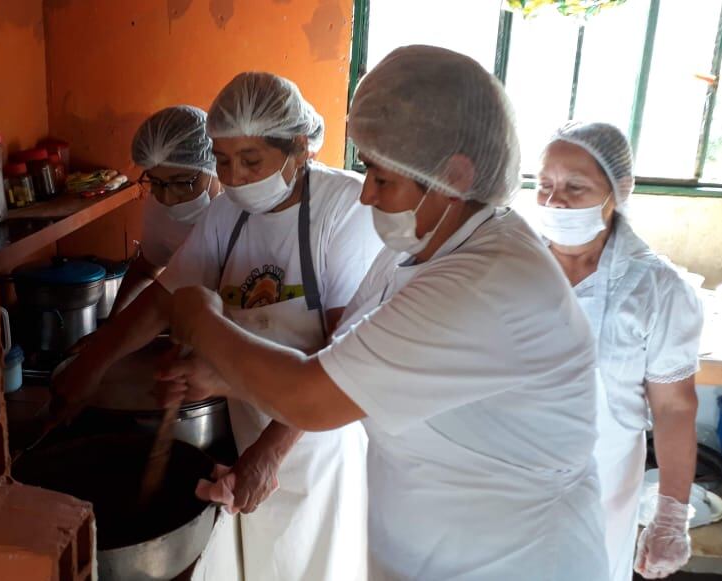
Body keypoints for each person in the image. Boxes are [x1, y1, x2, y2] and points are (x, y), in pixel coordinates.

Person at [157, 45, 608, 581]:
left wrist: (204, 322)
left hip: (510, 560)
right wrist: (227, 380)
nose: (365, 194)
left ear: (455, 176)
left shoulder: (484, 284)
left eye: (381, 177)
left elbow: (311, 395)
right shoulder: (419, 250)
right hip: (431, 552)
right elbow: (344, 352)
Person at [54, 72, 379, 581]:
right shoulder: (227, 213)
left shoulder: (345, 210)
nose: (235, 178)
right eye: (224, 161)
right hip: (248, 433)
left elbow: (343, 358)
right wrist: (92, 364)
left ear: (299, 148)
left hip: (315, 450)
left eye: (251, 161)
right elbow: (164, 301)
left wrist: (271, 452)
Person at [534, 121, 703, 580]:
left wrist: (671, 514)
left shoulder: (657, 289)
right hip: (507, 478)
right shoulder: (511, 263)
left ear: (620, 190)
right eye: (544, 185)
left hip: (601, 487)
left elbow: (673, 408)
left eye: (575, 187)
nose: (555, 201)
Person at [110, 105, 222, 316]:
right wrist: (112, 326)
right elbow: (146, 269)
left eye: (181, 182)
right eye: (156, 182)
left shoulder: (242, 212)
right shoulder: (159, 206)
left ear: (212, 166)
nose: (168, 199)